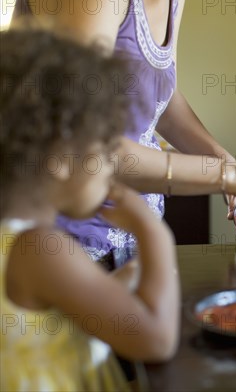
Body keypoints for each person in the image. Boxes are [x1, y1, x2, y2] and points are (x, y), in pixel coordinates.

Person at [10, 0, 236, 264]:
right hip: (64, 241)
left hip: (128, 236)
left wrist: (230, 164)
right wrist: (235, 177)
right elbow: (82, 144)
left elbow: (159, 97)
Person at [0, 29, 180, 390]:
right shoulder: (40, 250)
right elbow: (157, 340)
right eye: (106, 147)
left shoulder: (21, 245)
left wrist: (118, 284)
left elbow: (56, 316)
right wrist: (153, 232)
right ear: (62, 158)